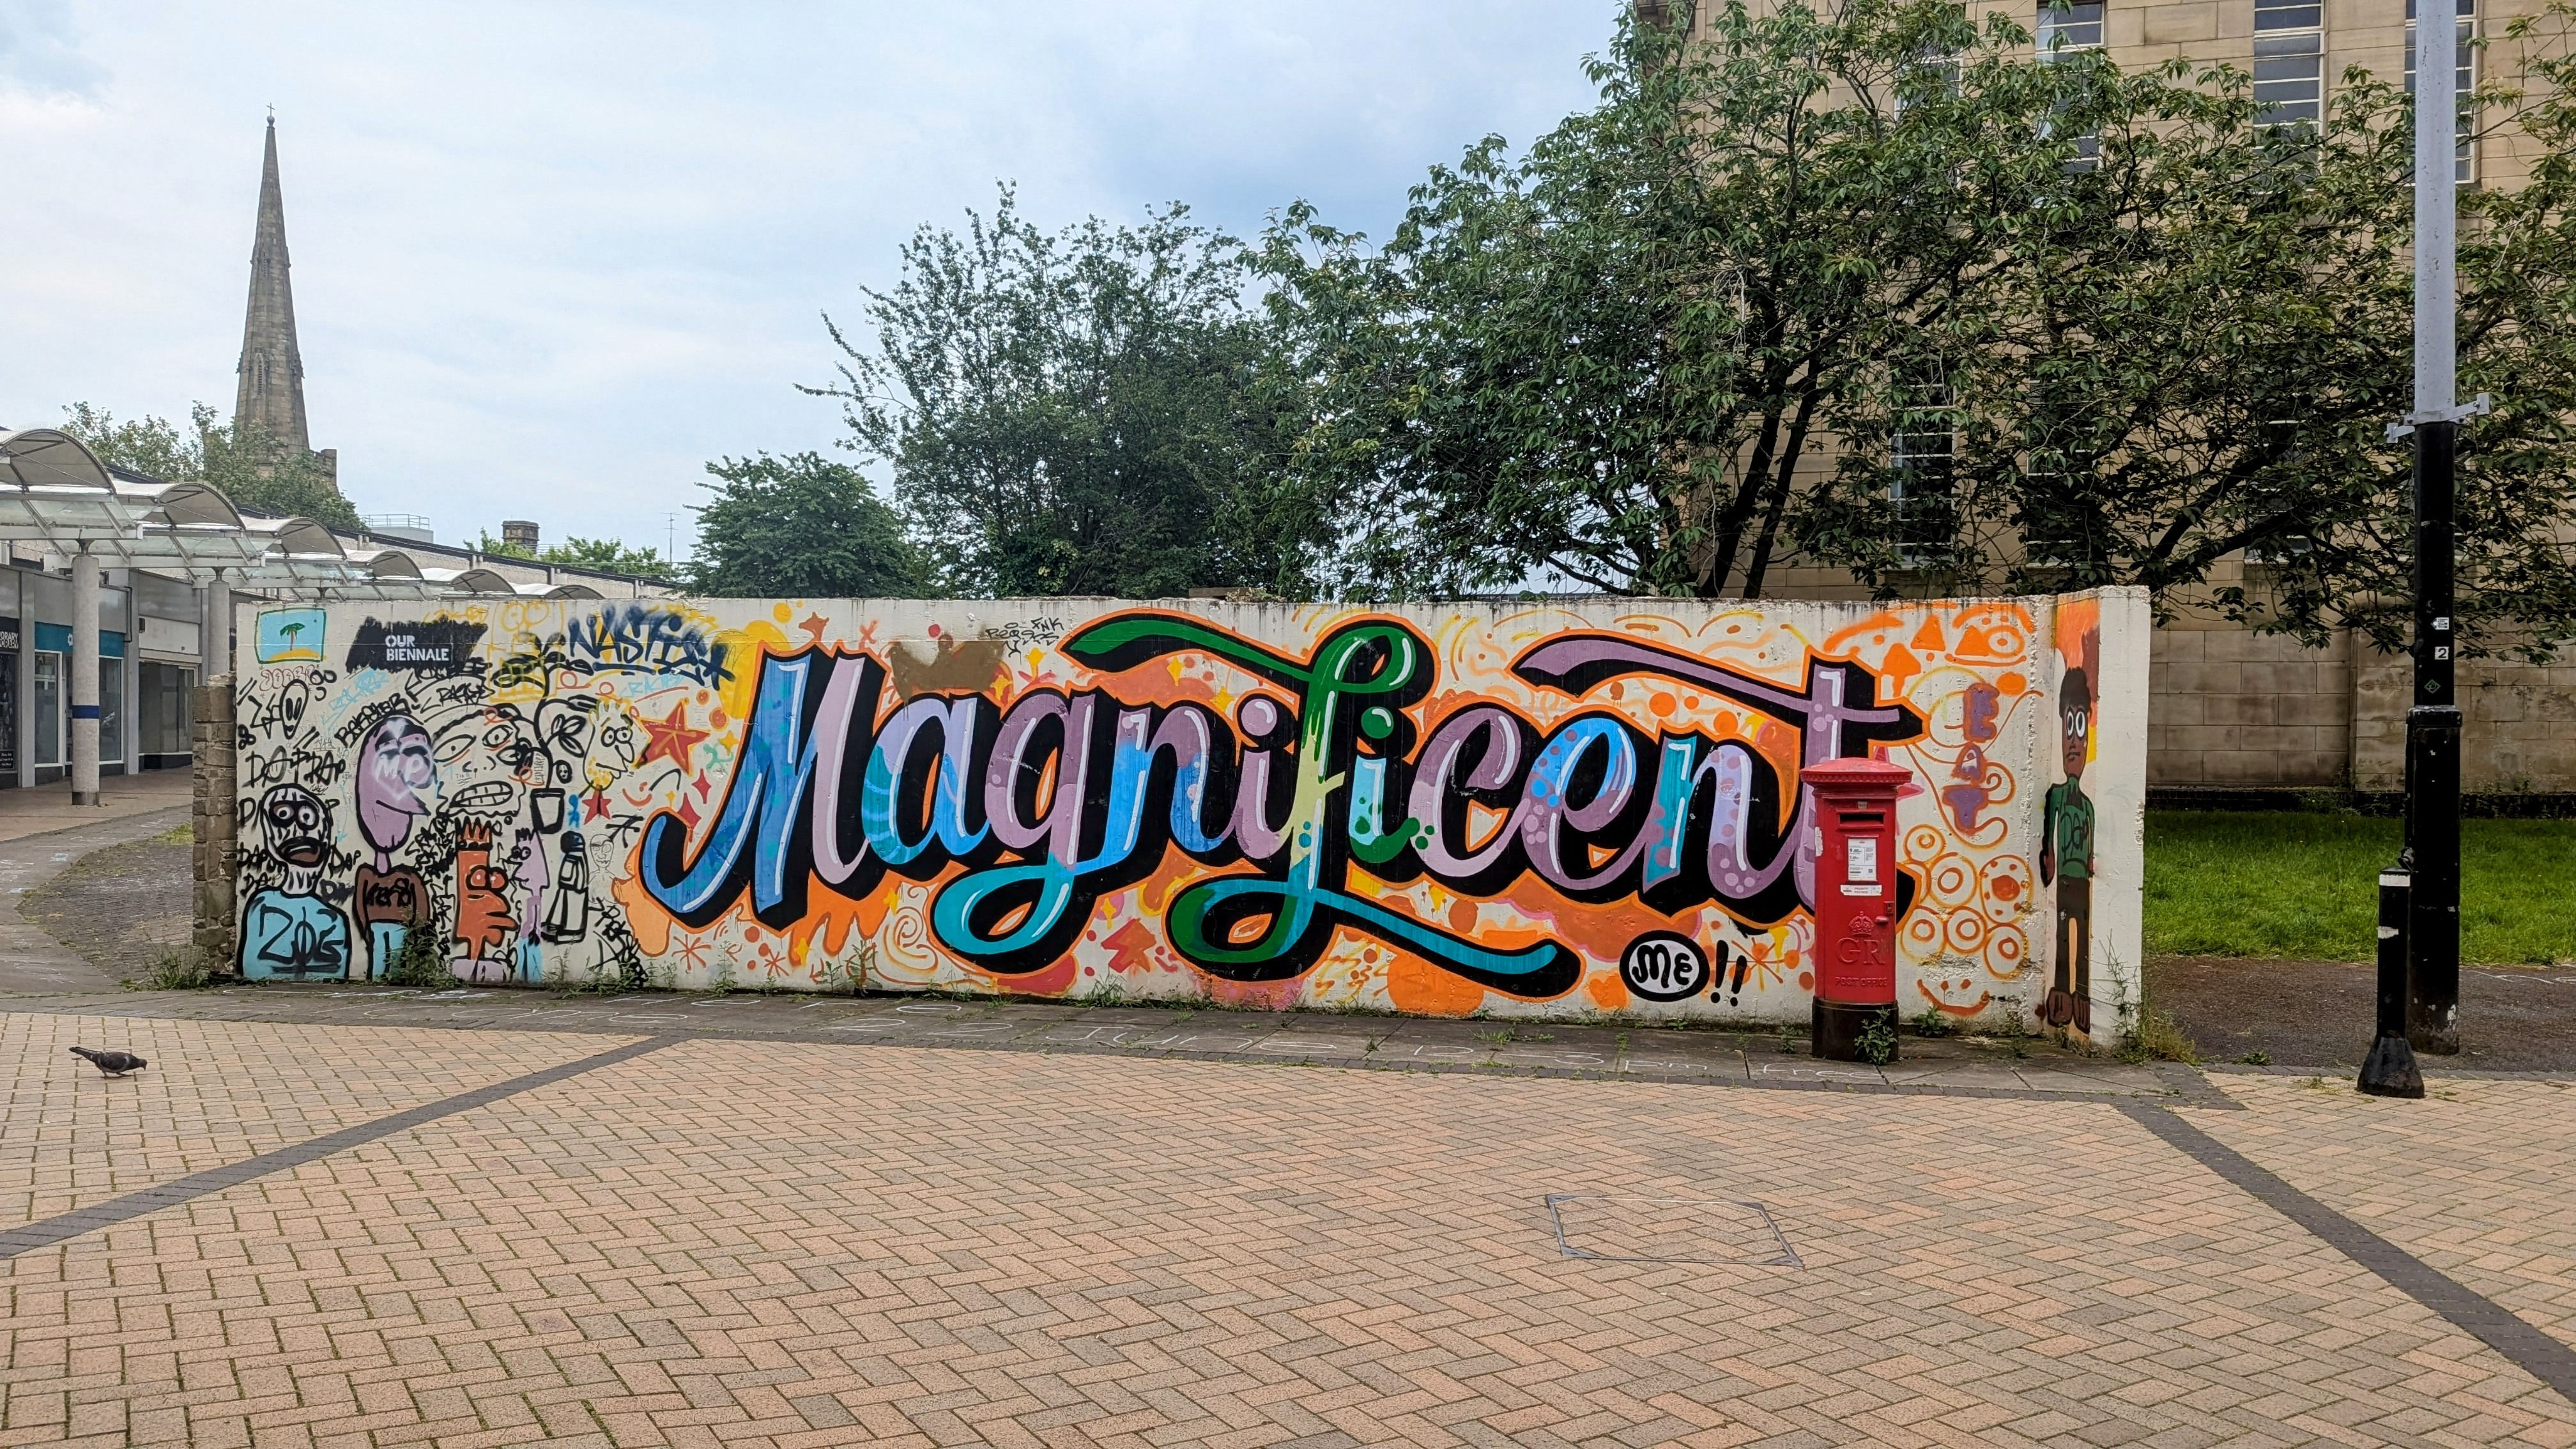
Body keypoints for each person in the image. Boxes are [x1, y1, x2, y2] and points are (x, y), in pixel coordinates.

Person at [2039, 669, 2096, 1036]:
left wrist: (2091, 864)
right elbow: (2049, 832)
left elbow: (2092, 837)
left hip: (2082, 879)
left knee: (2083, 937)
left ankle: (2084, 994)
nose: (2074, 740)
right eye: (2068, 726)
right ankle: (2061, 991)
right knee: (2062, 933)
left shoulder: (2088, 803)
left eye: (2081, 727)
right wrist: (2048, 858)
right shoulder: (2057, 795)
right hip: (2063, 881)